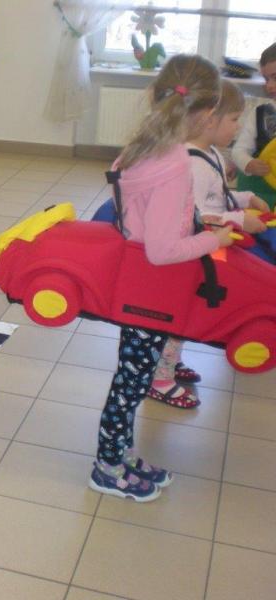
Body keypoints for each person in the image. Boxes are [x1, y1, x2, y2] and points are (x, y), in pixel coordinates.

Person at [89, 55, 234, 502]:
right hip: (152, 288)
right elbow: (163, 249)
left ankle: (121, 455)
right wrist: (213, 239)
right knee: (130, 384)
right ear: (208, 113)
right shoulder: (173, 164)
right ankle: (108, 468)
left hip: (141, 282)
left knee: (130, 380)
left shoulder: (147, 146)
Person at [147, 80, 270, 410]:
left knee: (188, 311)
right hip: (188, 252)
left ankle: (170, 362)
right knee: (179, 314)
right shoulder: (193, 164)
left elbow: (219, 197)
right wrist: (241, 220)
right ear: (209, 120)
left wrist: (246, 197)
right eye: (234, 119)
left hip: (202, 247)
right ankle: (160, 379)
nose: (239, 126)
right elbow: (200, 215)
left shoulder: (210, 153)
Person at [231, 42, 276, 208]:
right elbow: (238, 150)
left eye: (275, 77)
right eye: (266, 79)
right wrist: (248, 164)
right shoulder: (260, 113)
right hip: (261, 197)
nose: (269, 85)